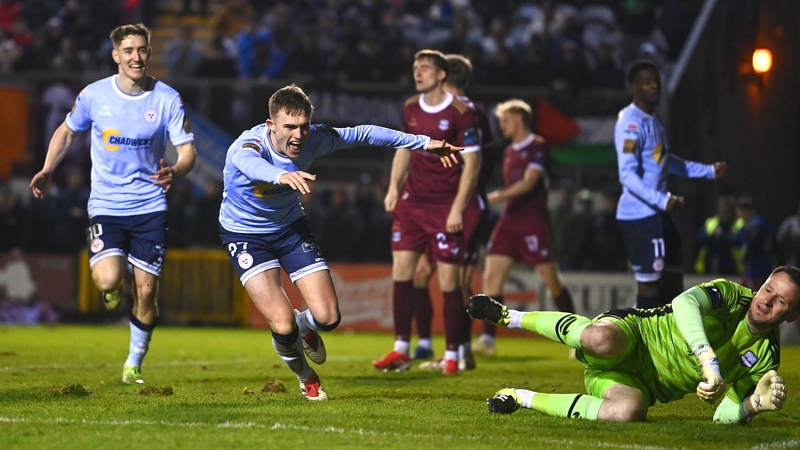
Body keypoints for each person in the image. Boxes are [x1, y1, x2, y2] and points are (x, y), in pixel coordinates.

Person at [218, 84, 463, 400]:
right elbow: (251, 165)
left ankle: (305, 325)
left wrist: (423, 143)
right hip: (245, 235)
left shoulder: (315, 139)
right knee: (281, 325)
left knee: (328, 319)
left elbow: (363, 133)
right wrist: (280, 176)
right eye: (289, 127)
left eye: (303, 126)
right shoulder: (247, 147)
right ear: (271, 126)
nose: (298, 135)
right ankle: (306, 377)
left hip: (290, 229)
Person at [29, 24, 198, 385]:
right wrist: (47, 169)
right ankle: (113, 287)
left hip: (151, 204)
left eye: (143, 50)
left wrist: (177, 171)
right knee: (107, 280)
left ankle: (134, 361)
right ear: (116, 55)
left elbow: (187, 152)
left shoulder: (167, 98)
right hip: (106, 202)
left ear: (149, 53)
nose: (136, 57)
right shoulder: (94, 95)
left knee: (148, 289)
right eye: (129, 50)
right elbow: (67, 130)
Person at [468, 265, 798, 423]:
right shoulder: (729, 295)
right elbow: (685, 303)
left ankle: (520, 397)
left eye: (781, 301)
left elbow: (721, 416)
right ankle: (508, 316)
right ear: (761, 285)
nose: (767, 301)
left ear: (792, 317)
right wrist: (707, 358)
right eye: (768, 289)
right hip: (635, 335)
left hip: (637, 384)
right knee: (599, 338)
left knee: (628, 412)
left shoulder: (765, 362)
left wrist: (752, 406)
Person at [374, 49, 482, 376]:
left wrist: (457, 208)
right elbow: (404, 149)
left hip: (443, 207)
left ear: (441, 75)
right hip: (412, 204)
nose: (417, 73)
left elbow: (472, 166)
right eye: (415, 68)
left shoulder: (463, 112)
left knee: (450, 281)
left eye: (424, 68)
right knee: (402, 273)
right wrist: (394, 187)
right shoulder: (409, 108)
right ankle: (401, 349)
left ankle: (452, 355)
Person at [403, 53, 498, 367]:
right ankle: (429, 344)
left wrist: (467, 194)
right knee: (422, 274)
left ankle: (460, 351)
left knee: (457, 279)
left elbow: (478, 159)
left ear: (444, 75)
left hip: (464, 206)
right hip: (435, 206)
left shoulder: (467, 112)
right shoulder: (433, 108)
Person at [615, 60, 726, 309]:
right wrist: (664, 199)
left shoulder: (653, 121)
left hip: (658, 212)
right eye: (647, 82)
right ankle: (644, 341)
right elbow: (627, 175)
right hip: (640, 215)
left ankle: (668, 336)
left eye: (656, 81)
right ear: (634, 87)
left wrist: (707, 171)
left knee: (673, 275)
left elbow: (666, 161)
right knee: (651, 283)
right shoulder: (630, 123)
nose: (654, 86)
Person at [476, 99, 576, 357]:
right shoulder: (509, 152)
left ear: (520, 117)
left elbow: (529, 183)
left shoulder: (538, 146)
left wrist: (495, 197)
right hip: (510, 220)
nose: (501, 125)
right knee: (492, 276)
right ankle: (487, 340)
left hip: (532, 221)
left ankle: (577, 337)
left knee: (551, 280)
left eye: (505, 119)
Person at [694, 195, 744, 276]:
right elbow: (699, 239)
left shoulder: (738, 224)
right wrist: (713, 235)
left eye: (726, 211)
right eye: (721, 209)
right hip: (709, 265)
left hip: (731, 267)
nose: (723, 213)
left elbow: (739, 242)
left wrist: (723, 235)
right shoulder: (711, 222)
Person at [736, 195, 774, 290]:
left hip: (758, 268)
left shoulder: (756, 224)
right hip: (755, 267)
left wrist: (745, 260)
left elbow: (753, 244)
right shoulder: (751, 223)